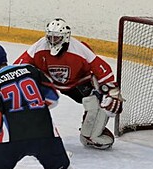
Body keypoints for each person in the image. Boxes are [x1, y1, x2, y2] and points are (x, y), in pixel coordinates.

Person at [14, 18, 123, 150]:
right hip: (49, 82)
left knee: (99, 100)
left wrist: (112, 92)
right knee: (25, 89)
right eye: (50, 37)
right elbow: (17, 68)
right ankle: (31, 132)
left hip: (79, 84)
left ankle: (91, 131)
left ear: (65, 37)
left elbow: (102, 68)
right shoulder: (39, 47)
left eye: (57, 38)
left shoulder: (79, 49)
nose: (53, 41)